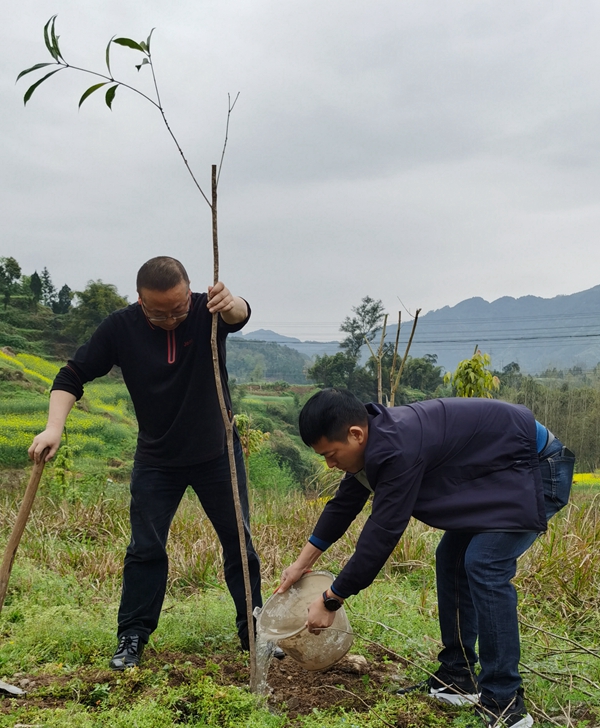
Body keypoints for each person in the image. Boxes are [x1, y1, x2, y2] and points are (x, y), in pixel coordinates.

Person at [29, 256, 278, 669]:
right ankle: (132, 636)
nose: (171, 319)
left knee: (239, 543)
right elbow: (71, 375)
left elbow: (241, 313)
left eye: (178, 309)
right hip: (157, 459)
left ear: (190, 293)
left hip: (217, 453)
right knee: (145, 548)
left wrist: (229, 301)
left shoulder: (207, 311)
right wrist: (54, 427)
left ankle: (254, 632)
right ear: (140, 300)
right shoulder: (120, 327)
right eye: (158, 312)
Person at [278, 388, 575, 728]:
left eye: (331, 454)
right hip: (499, 471)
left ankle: (505, 704)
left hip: (536, 467)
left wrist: (332, 599)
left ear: (355, 434)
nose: (330, 464)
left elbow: (382, 534)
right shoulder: (375, 441)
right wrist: (301, 564)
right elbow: (343, 505)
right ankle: (458, 678)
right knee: (451, 557)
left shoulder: (397, 449)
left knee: (484, 564)